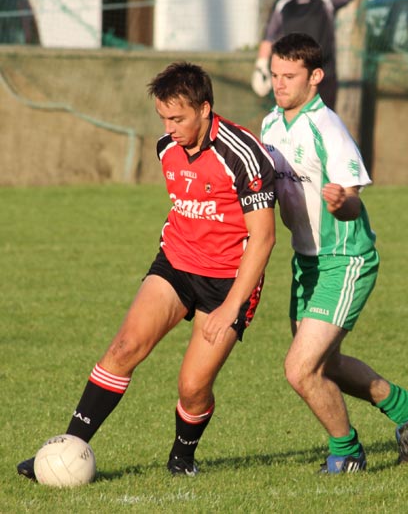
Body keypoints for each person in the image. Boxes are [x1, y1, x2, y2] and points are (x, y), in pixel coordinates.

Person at [18, 61, 276, 479]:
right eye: (163, 118)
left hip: (227, 281)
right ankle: (66, 449)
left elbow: (263, 238)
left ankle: (182, 458)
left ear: (205, 108)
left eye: (178, 118)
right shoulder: (166, 149)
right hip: (175, 263)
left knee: (192, 387)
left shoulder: (243, 154)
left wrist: (232, 306)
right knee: (123, 348)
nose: (169, 128)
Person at [260, 32, 408, 474]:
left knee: (300, 368)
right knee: (327, 364)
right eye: (275, 75)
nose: (279, 84)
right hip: (307, 262)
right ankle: (407, 407)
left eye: (289, 76)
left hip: (346, 260)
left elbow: (353, 199)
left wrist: (342, 202)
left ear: (315, 76)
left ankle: (347, 452)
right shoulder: (270, 125)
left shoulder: (328, 129)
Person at [252, 0, 357, 109]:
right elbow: (269, 35)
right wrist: (260, 65)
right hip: (291, 75)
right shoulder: (284, 1)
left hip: (323, 73)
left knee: (321, 123)